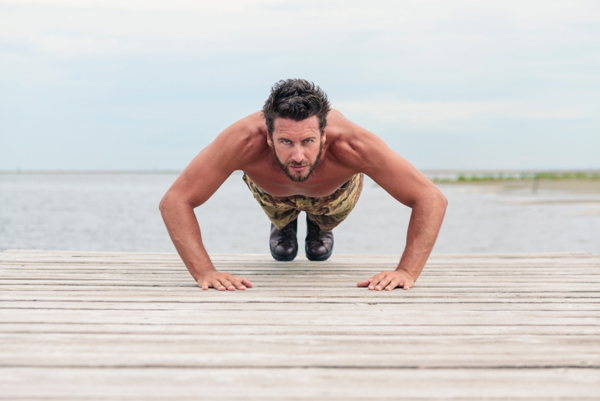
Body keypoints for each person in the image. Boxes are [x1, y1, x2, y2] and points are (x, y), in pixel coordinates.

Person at [159, 79, 447, 292]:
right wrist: (204, 272)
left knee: (320, 242)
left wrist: (406, 271)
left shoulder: (354, 145)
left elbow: (430, 198)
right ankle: (283, 223)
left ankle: (319, 227)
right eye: (285, 142)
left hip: (334, 194)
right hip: (273, 194)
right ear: (269, 137)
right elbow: (175, 200)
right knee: (282, 226)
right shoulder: (243, 141)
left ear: (324, 135)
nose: (298, 155)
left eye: (307, 141)